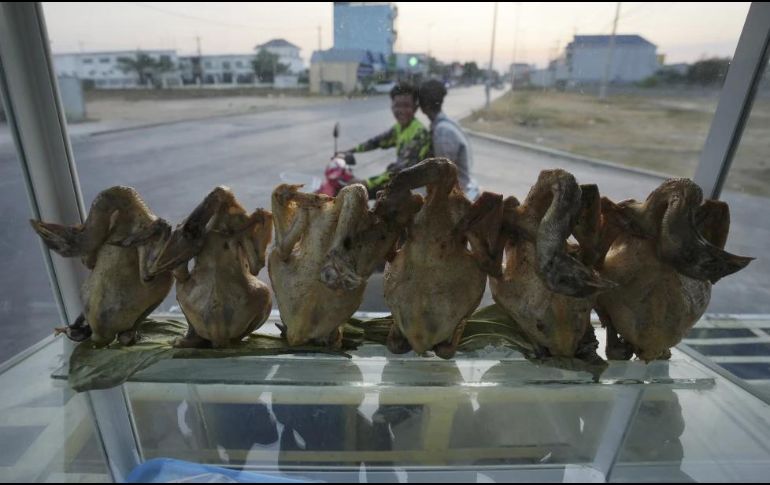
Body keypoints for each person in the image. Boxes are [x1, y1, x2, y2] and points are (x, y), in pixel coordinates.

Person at [345, 82, 431, 198]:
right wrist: (351, 151)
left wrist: (367, 182)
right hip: (398, 185)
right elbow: (377, 141)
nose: (400, 110)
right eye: (397, 106)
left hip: (413, 194)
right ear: (392, 107)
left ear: (415, 108)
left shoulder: (419, 133)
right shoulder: (399, 128)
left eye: (406, 106)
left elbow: (401, 170)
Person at [418, 79, 480, 200]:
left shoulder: (442, 132)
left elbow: (444, 175)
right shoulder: (446, 124)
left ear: (423, 107)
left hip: (458, 197)